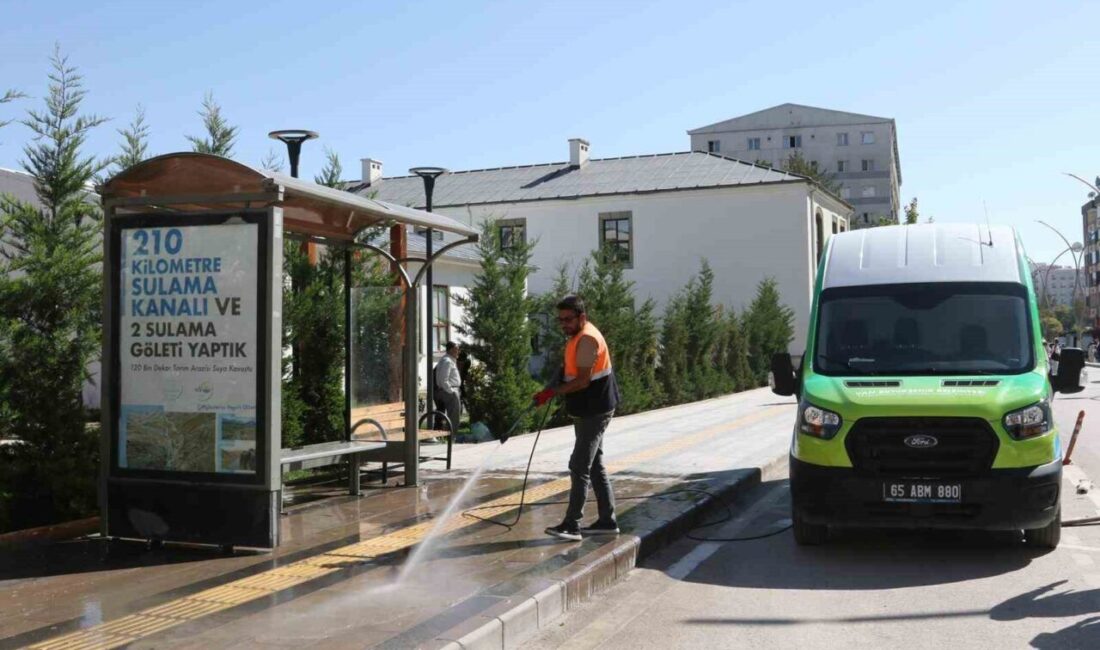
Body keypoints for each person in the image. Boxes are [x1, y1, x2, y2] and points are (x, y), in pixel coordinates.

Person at [535, 295, 621, 541]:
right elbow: (566, 370)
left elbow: (582, 381)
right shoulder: (575, 337)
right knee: (594, 465)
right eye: (560, 320)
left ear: (581, 317)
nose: (563, 324)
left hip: (596, 410)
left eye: (568, 319)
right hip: (588, 408)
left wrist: (553, 392)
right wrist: (548, 389)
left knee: (579, 465)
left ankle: (572, 525)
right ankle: (607, 521)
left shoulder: (587, 340)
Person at [433, 342, 462, 434]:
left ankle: (450, 436)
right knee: (454, 417)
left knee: (452, 416)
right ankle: (452, 438)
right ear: (450, 350)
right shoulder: (447, 361)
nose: (458, 352)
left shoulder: (448, 360)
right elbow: (443, 379)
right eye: (456, 349)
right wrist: (451, 391)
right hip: (449, 391)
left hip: (448, 390)